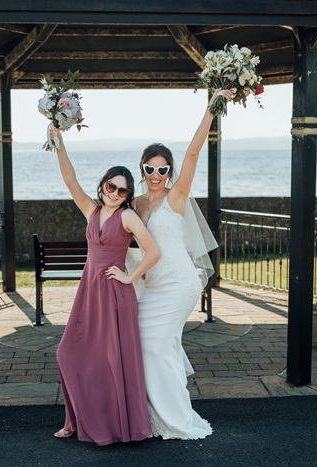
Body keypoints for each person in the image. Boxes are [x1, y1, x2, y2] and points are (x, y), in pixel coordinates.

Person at [50, 126, 161, 445]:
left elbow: (153, 251)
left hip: (115, 294)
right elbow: (70, 180)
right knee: (67, 353)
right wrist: (59, 144)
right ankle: (75, 419)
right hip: (89, 292)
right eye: (111, 186)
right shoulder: (92, 210)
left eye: (122, 191)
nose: (114, 193)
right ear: (103, 185)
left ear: (127, 195)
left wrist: (129, 275)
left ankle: (113, 425)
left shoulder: (127, 218)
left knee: (111, 360)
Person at [133, 88, 231, 440]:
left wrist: (212, 107)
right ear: (141, 168)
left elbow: (193, 152)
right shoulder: (136, 203)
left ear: (169, 170)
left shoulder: (175, 196)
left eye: (162, 168)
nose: (156, 173)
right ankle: (150, 412)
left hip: (180, 283)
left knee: (157, 342)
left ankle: (174, 418)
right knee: (149, 341)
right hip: (153, 285)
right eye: (150, 168)